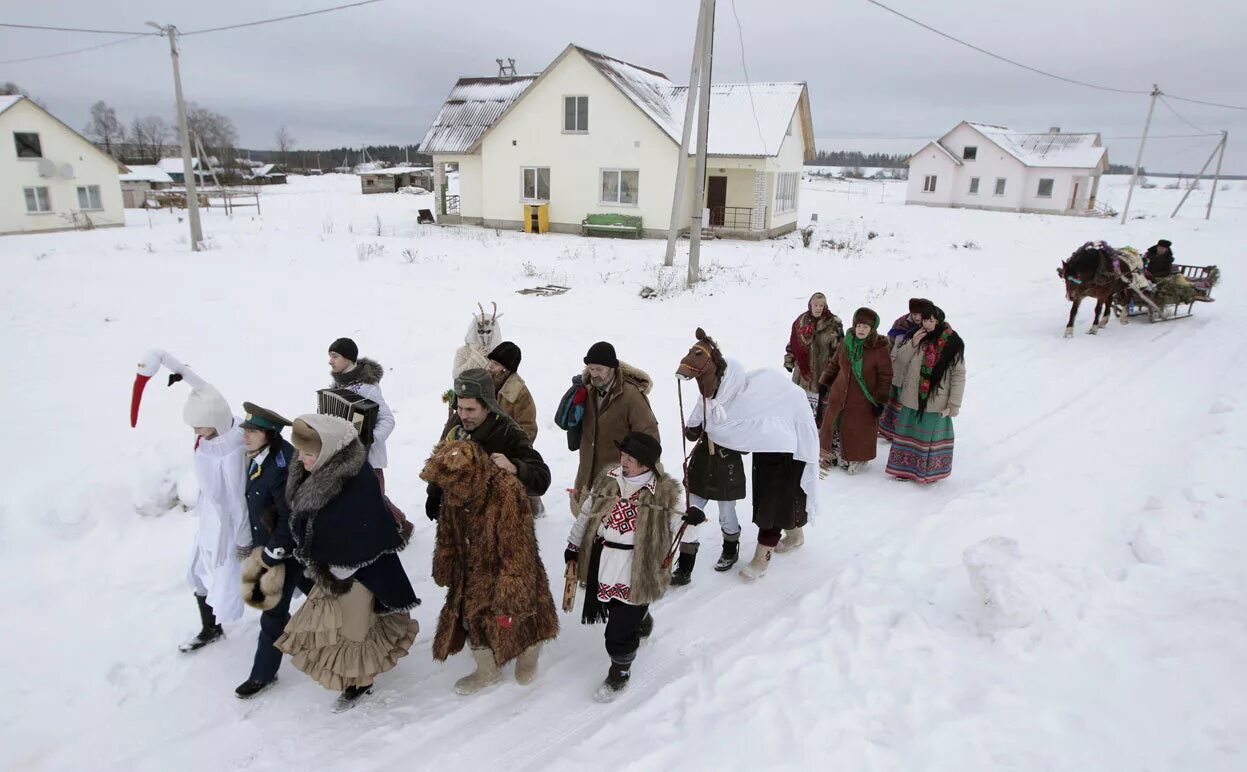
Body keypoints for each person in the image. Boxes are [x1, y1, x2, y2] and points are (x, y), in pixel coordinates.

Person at [275, 415, 420, 713]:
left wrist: (337, 568)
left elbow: (365, 532)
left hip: (359, 571)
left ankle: (360, 681)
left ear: (327, 449)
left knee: (353, 630)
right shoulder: (313, 470)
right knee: (341, 626)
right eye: (300, 453)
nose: (301, 460)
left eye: (308, 454)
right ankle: (357, 677)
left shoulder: (356, 481)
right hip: (330, 569)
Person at [130, 349, 248, 653]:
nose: (195, 432)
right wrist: (169, 363)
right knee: (197, 574)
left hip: (231, 528)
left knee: (255, 580)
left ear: (216, 420)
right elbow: (203, 388)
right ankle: (211, 628)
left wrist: (242, 539)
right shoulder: (210, 435)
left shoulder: (231, 448)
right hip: (209, 523)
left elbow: (235, 499)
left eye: (200, 425)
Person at [421, 437, 559, 696]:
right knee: (471, 617)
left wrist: (511, 592)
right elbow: (447, 532)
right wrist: (445, 560)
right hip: (470, 568)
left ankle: (529, 653)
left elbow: (518, 549)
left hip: (507, 568)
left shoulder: (505, 491)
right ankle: (487, 671)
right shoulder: (454, 492)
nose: (448, 489)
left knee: (521, 616)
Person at [566, 432, 698, 702]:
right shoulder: (608, 479)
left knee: (618, 631)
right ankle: (641, 616)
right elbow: (586, 515)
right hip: (604, 561)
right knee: (614, 607)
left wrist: (692, 521)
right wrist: (574, 545)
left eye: (631, 459)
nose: (624, 461)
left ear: (647, 464)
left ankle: (620, 670)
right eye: (623, 456)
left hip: (637, 567)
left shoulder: (665, 493)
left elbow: (683, 531)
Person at [233, 403, 303, 700]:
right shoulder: (257, 456)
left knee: (273, 612)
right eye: (246, 430)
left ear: (270, 434)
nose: (246, 436)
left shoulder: (281, 466)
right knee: (321, 596)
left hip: (287, 551)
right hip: (272, 545)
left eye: (254, 431)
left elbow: (290, 516)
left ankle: (262, 674)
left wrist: (273, 553)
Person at [425, 369, 552, 525]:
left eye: (470, 409)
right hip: (457, 523)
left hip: (496, 528)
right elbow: (440, 460)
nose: (463, 415)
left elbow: (542, 480)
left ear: (488, 406)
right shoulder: (456, 422)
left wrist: (515, 468)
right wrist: (434, 493)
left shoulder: (509, 432)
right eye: (460, 408)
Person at [327, 338, 411, 541]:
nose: (330, 361)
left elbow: (387, 420)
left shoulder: (368, 389)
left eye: (335, 356)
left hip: (368, 457)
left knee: (374, 496)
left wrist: (369, 439)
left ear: (348, 358)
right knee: (358, 498)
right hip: (344, 456)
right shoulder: (335, 387)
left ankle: (401, 526)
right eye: (330, 356)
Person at [570, 341, 659, 516]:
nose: (594, 374)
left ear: (612, 368)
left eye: (599, 369)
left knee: (610, 532)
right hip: (587, 476)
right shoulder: (586, 390)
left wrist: (634, 471)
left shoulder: (631, 396)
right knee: (584, 527)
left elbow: (649, 437)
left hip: (618, 480)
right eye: (591, 369)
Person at [886, 306, 966, 484]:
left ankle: (928, 473)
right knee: (907, 434)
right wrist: (913, 342)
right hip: (911, 396)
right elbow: (900, 360)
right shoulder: (916, 335)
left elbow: (959, 374)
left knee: (928, 436)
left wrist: (954, 403)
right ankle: (903, 470)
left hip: (936, 400)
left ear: (939, 320)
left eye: (931, 320)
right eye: (925, 320)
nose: (927, 324)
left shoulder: (952, 342)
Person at [818, 308, 893, 476]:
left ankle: (855, 459)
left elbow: (885, 375)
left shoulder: (879, 348)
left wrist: (880, 400)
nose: (861, 330)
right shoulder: (846, 342)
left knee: (857, 430)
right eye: (859, 325)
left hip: (862, 400)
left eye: (866, 327)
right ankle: (834, 456)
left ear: (872, 329)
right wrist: (825, 381)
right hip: (839, 394)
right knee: (834, 426)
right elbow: (834, 364)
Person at [678, 423, 746, 580]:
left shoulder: (739, 405)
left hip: (727, 468)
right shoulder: (703, 405)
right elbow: (691, 435)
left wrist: (722, 434)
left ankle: (730, 551)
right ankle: (684, 566)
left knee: (726, 513)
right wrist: (697, 423)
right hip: (702, 467)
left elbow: (746, 446)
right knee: (691, 514)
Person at [486, 341, 544, 517]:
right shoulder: (485, 384)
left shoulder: (520, 393)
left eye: (495, 364)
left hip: (512, 451)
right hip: (488, 447)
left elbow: (528, 427)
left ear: (506, 369)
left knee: (520, 484)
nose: (490, 367)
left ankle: (535, 511)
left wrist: (514, 446)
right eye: (490, 362)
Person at [879, 298, 933, 440]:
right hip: (897, 366)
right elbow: (890, 342)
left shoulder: (928, 327)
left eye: (919, 314)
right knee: (894, 400)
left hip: (914, 371)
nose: (916, 317)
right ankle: (889, 431)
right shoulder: (900, 323)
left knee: (907, 403)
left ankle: (904, 432)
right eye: (913, 314)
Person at [784, 292, 844, 415]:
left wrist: (834, 372)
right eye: (815, 305)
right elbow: (793, 343)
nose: (818, 308)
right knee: (800, 407)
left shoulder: (833, 323)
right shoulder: (801, 321)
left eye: (821, 305)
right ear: (810, 304)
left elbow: (839, 350)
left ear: (825, 306)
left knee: (821, 409)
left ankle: (819, 430)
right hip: (802, 373)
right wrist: (789, 360)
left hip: (823, 371)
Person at [453, 303, 503, 378]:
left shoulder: (501, 353)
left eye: (488, 331)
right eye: (481, 332)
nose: (485, 335)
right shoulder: (463, 352)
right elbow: (456, 376)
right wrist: (476, 358)